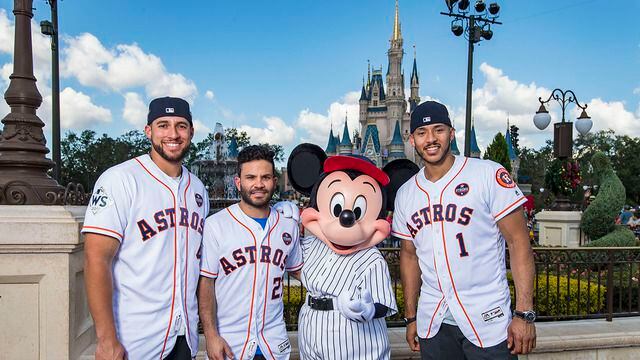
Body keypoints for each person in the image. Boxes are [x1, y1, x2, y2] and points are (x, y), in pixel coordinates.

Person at [393, 101, 536, 359]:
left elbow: (518, 243)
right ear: (411, 139)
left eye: (438, 130)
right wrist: (411, 317)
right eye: (422, 133)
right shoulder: (406, 193)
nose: (431, 139)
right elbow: (409, 255)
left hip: (488, 320)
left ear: (452, 133)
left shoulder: (487, 174)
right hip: (433, 322)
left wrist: (524, 313)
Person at [83, 97, 209, 359]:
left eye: (181, 126)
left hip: (184, 335)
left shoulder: (198, 188)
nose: (172, 134)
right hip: (134, 339)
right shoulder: (120, 179)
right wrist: (106, 340)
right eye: (163, 125)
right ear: (148, 131)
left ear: (191, 132)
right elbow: (96, 259)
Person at [198, 145, 303, 360]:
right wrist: (210, 335)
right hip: (230, 342)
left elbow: (299, 271)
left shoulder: (287, 225)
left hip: (273, 343)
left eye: (265, 177)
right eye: (250, 177)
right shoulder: (215, 224)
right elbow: (206, 283)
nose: (258, 184)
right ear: (238, 183)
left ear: (274, 181)